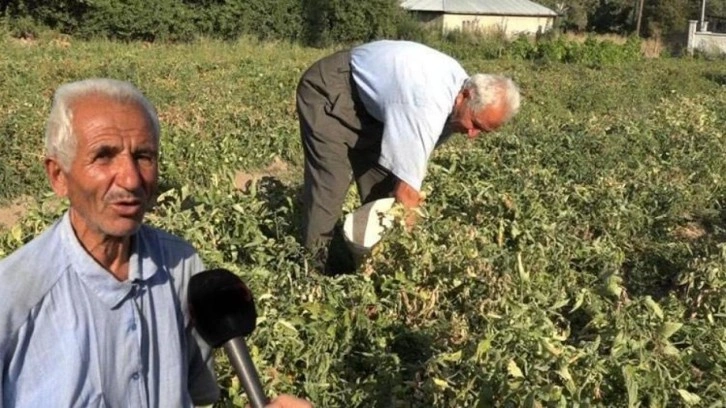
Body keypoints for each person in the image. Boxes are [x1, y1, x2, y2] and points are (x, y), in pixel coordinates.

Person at [0, 78, 311, 408]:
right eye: (104, 156)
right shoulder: (14, 297)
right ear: (58, 176)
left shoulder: (182, 267)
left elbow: (196, 395)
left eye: (143, 156)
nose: (131, 179)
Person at [296, 40, 521, 273]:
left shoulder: (459, 97)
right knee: (330, 186)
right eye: (475, 124)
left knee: (383, 190)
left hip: (373, 109)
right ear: (465, 95)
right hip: (333, 89)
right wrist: (412, 252)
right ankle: (313, 273)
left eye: (482, 131)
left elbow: (406, 172)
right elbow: (407, 192)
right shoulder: (427, 104)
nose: (473, 135)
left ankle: (373, 268)